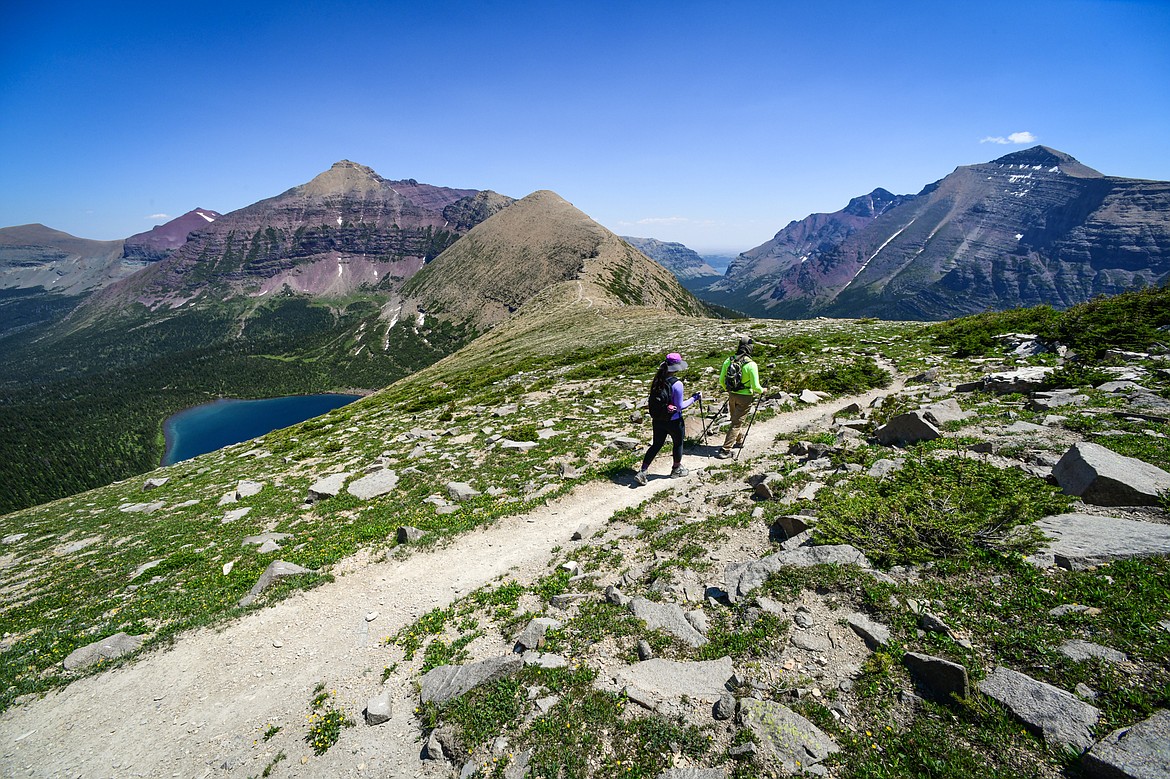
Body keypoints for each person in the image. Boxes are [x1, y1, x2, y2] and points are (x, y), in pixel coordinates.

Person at [635, 352, 700, 485]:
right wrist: (694, 398)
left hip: (658, 419)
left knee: (656, 444)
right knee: (678, 443)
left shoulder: (657, 379)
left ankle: (643, 471)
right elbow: (680, 406)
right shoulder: (677, 384)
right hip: (674, 420)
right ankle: (676, 469)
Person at [716, 336, 766, 459]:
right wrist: (763, 390)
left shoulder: (729, 360)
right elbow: (755, 386)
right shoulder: (751, 364)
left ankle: (739, 440)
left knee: (735, 419)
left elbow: (721, 380)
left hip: (732, 395)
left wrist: (728, 390)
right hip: (745, 397)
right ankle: (725, 450)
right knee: (736, 423)